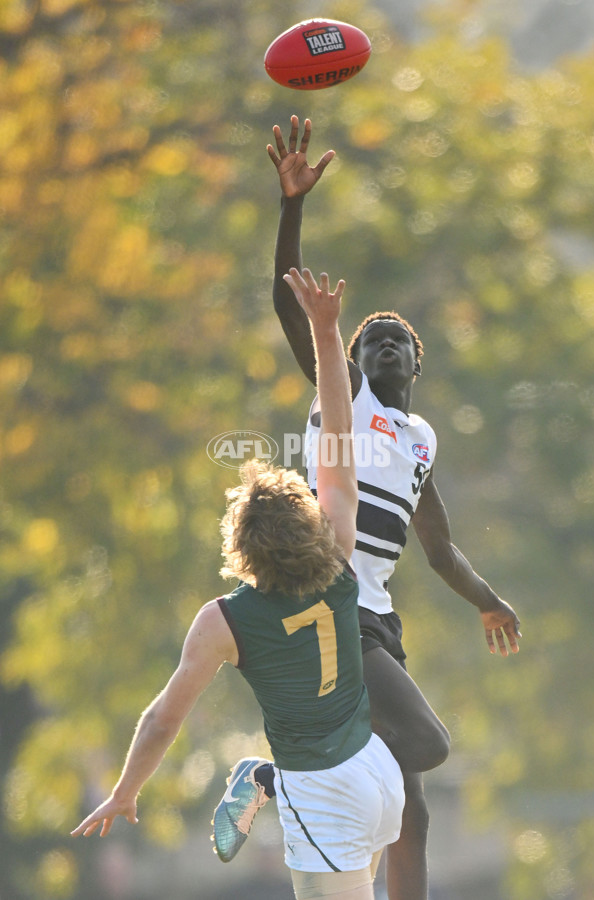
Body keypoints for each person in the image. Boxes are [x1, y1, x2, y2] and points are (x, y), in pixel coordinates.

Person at [215, 117, 522, 900]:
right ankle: (275, 779)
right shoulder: (341, 395)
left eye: (398, 340)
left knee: (410, 801)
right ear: (349, 359)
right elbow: (290, 305)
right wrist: (291, 209)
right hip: (333, 603)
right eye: (371, 337)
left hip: (380, 615)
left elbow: (440, 548)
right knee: (424, 743)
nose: (383, 343)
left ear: (419, 360)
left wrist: (488, 601)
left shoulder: (420, 437)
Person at [72, 267, 407, 900]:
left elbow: (164, 720)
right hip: (377, 775)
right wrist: (327, 329)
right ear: (308, 518)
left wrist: (125, 791)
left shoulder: (223, 621)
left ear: (240, 545)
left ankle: (267, 778)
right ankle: (264, 778)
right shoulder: (339, 552)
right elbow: (337, 435)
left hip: (323, 797)